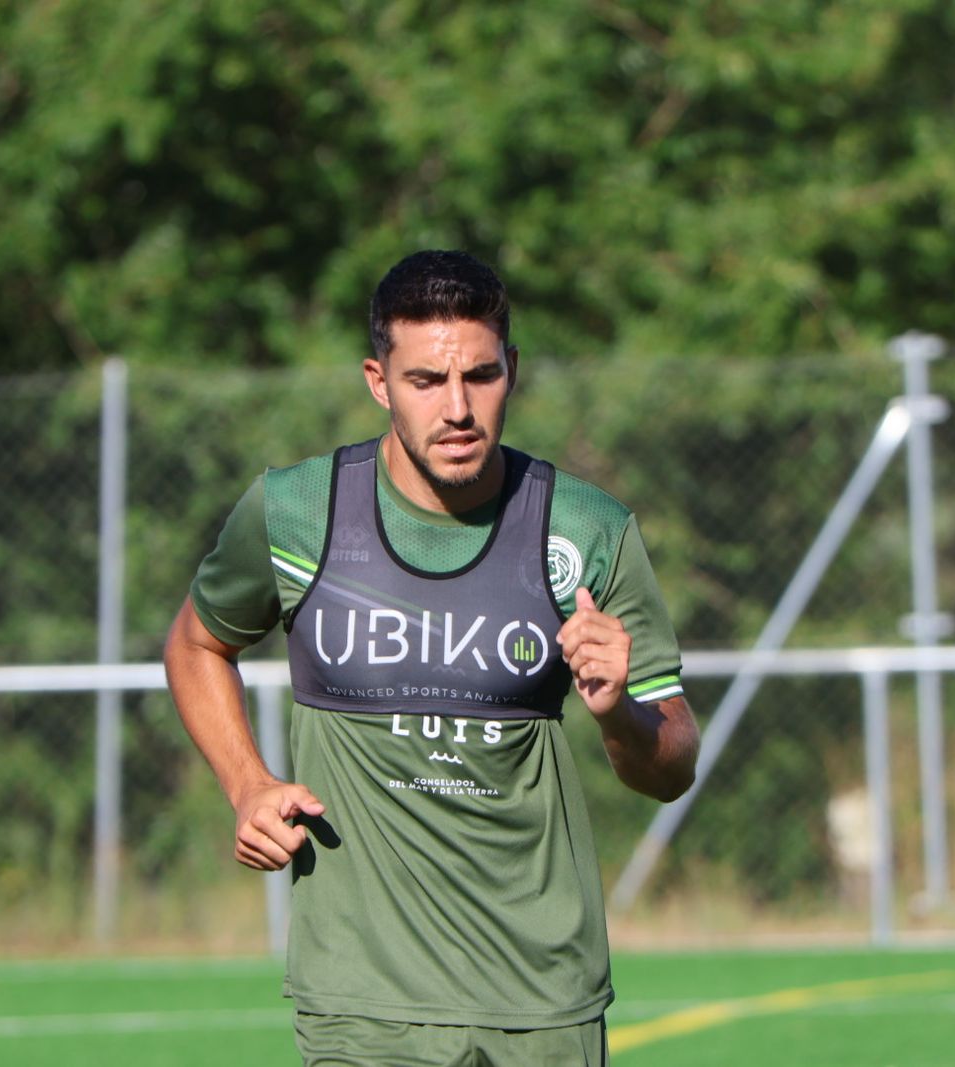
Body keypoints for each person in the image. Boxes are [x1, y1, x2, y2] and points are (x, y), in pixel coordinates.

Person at [163, 250, 699, 1066]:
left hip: (542, 994)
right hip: (362, 998)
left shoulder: (586, 530)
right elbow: (197, 642)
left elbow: (671, 764)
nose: (457, 408)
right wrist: (247, 782)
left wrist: (618, 710)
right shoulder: (298, 512)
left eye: (480, 376)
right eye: (425, 382)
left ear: (511, 370)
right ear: (379, 380)